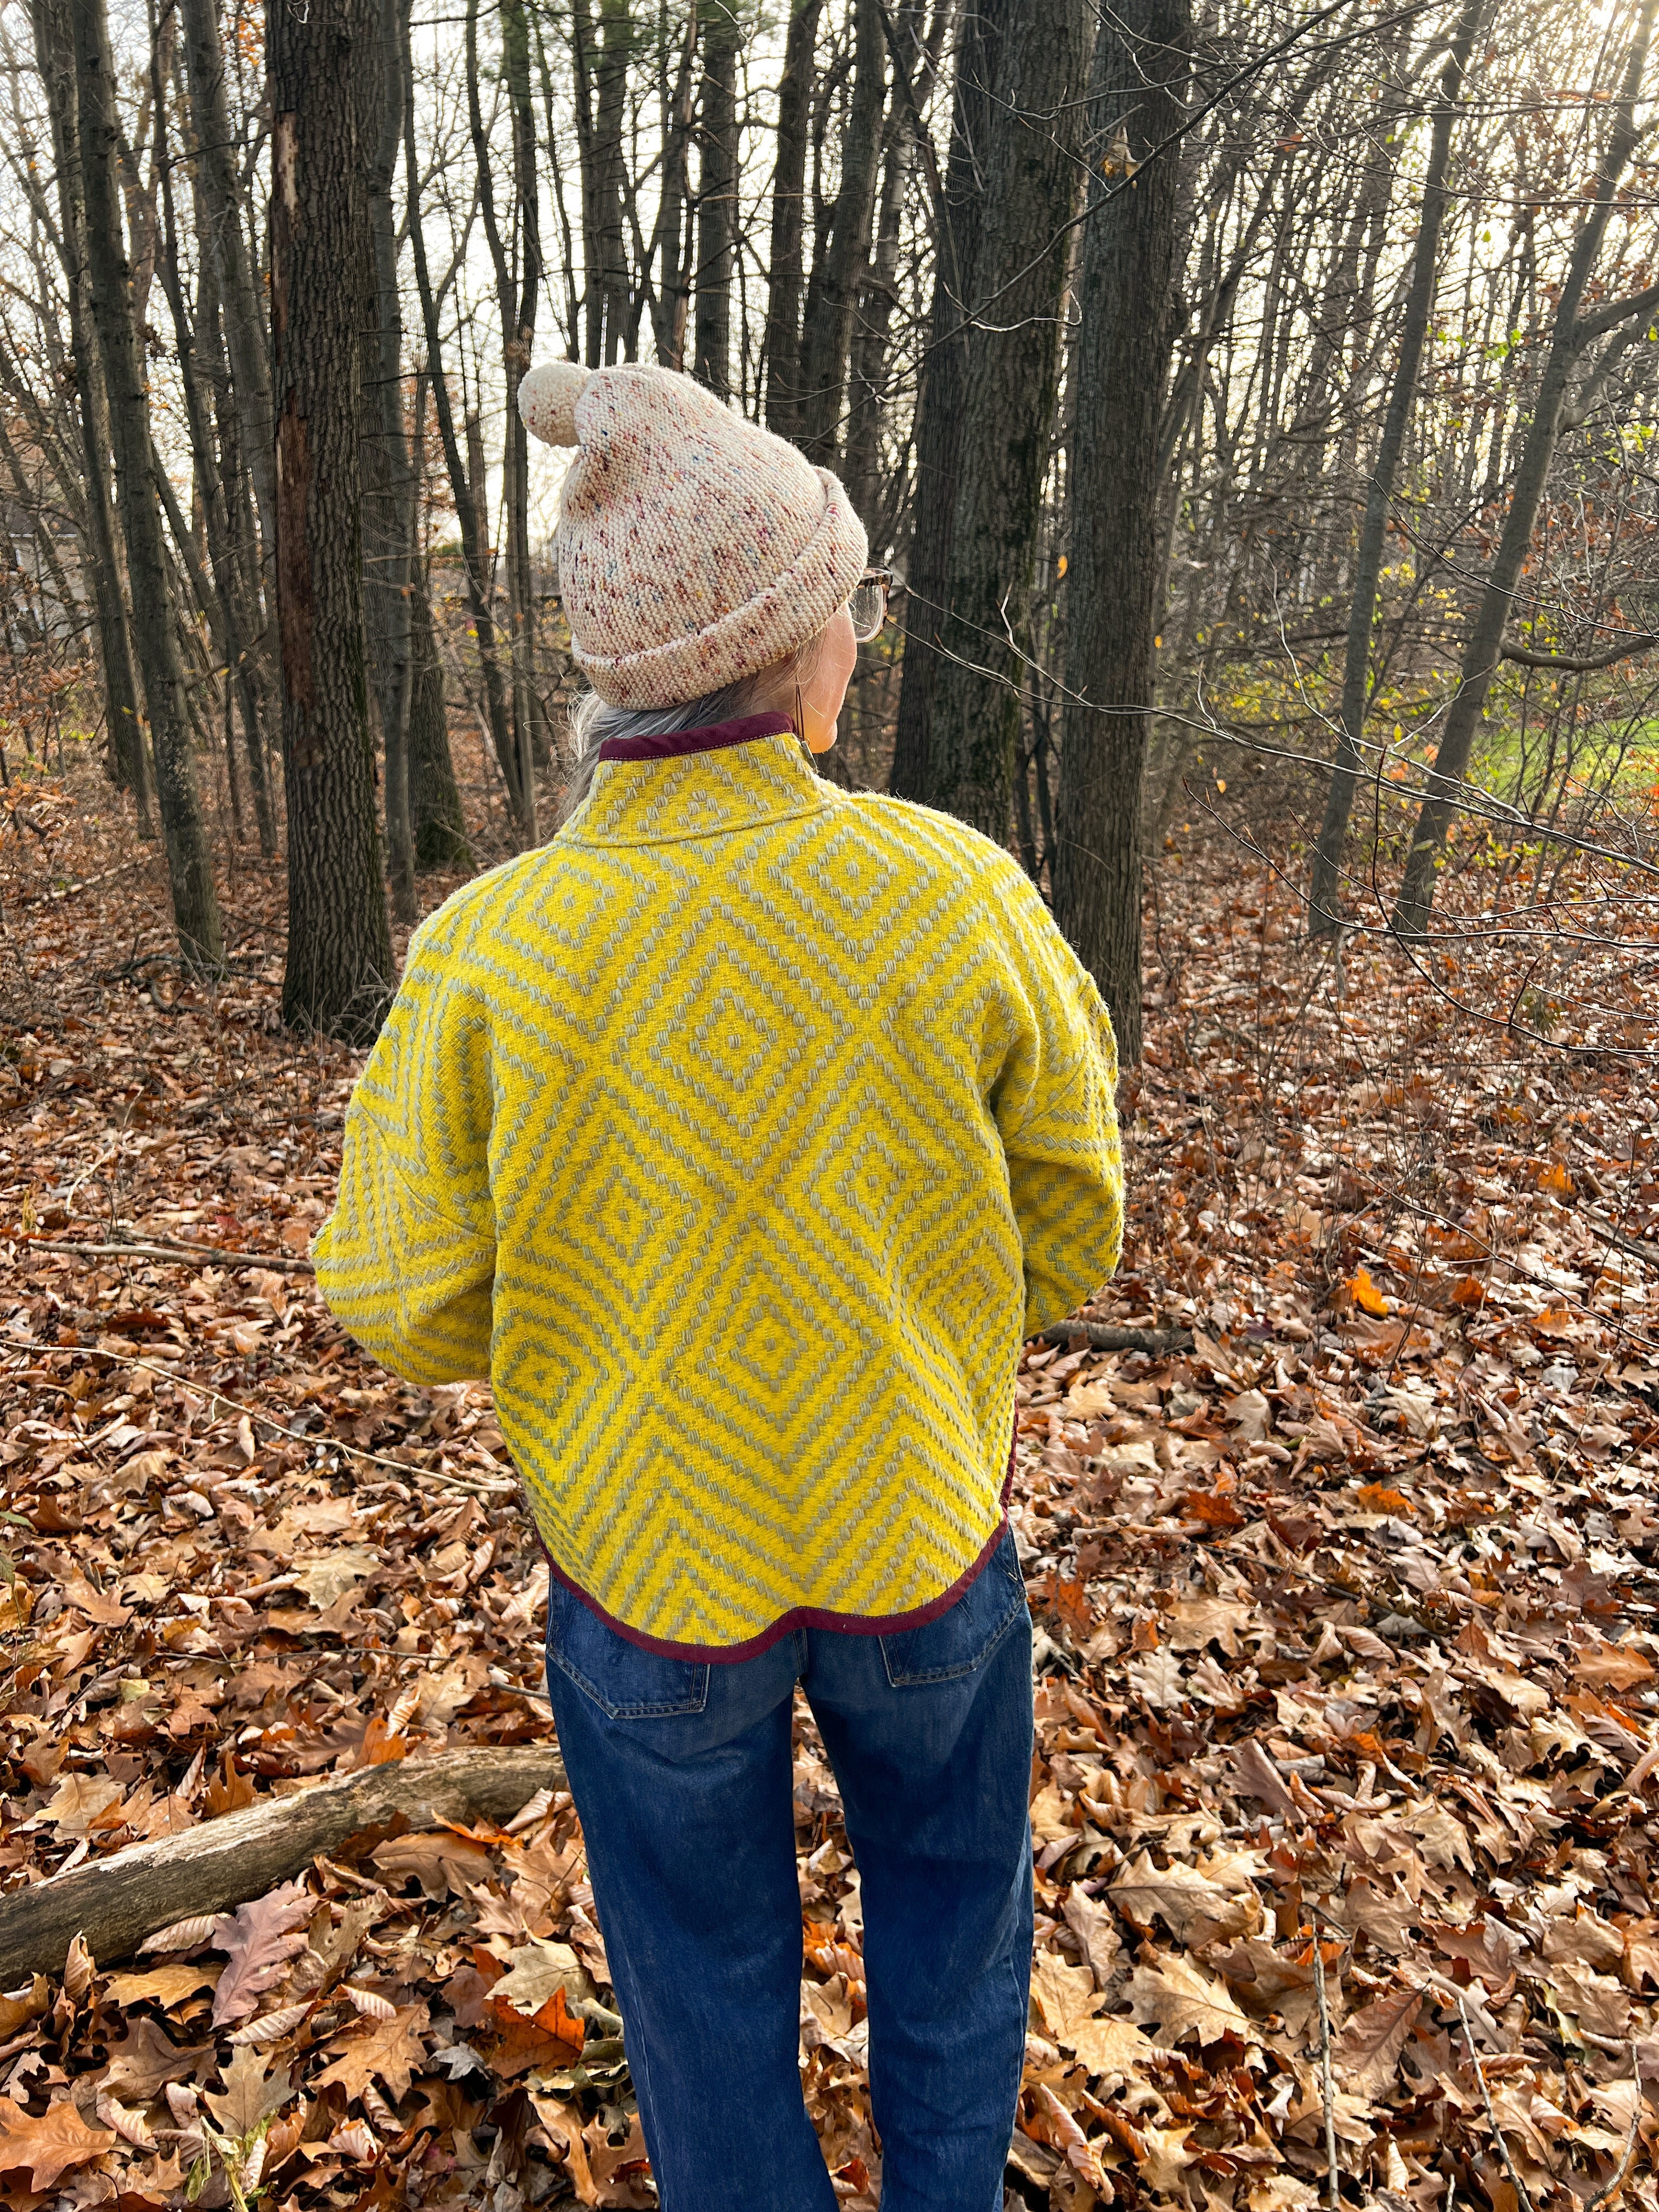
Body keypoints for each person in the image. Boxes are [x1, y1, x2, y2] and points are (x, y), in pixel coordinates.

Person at [313, 359, 1124, 2212]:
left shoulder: (494, 948)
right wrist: (924, 1313)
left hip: (650, 1576)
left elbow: (401, 1298)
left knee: (700, 1977)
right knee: (947, 1915)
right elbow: (1077, 1218)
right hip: (920, 1535)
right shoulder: (951, 889)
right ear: (791, 647)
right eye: (845, 608)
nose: (856, 644)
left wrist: (602, 1323)